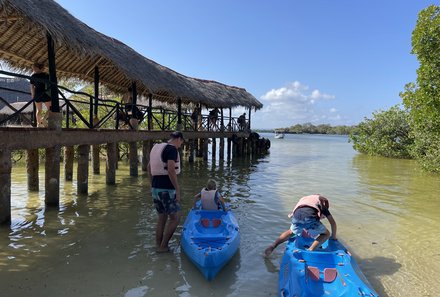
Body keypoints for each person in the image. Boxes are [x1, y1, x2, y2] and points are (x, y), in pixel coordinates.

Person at [264, 194, 337, 256]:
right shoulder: (321, 204)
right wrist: (333, 237)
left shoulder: (305, 199)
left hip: (297, 215)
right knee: (326, 234)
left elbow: (297, 211)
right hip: (310, 217)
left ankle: (273, 245)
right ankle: (310, 250)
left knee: (291, 232)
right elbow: (332, 223)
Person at [148, 131, 185, 253]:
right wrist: (177, 189)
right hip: (167, 189)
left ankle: (158, 245)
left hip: (155, 188)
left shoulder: (156, 147)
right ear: (179, 139)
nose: (180, 145)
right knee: (175, 218)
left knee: (161, 218)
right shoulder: (172, 149)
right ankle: (163, 246)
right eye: (181, 142)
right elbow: (170, 169)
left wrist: (151, 183)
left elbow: (149, 167)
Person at [30, 62, 51, 127]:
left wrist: (33, 96)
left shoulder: (33, 76)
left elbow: (32, 87)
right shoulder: (46, 75)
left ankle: (39, 124)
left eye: (34, 68)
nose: (33, 69)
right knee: (50, 108)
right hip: (45, 93)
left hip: (37, 94)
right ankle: (44, 119)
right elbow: (50, 84)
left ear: (36, 68)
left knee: (38, 110)